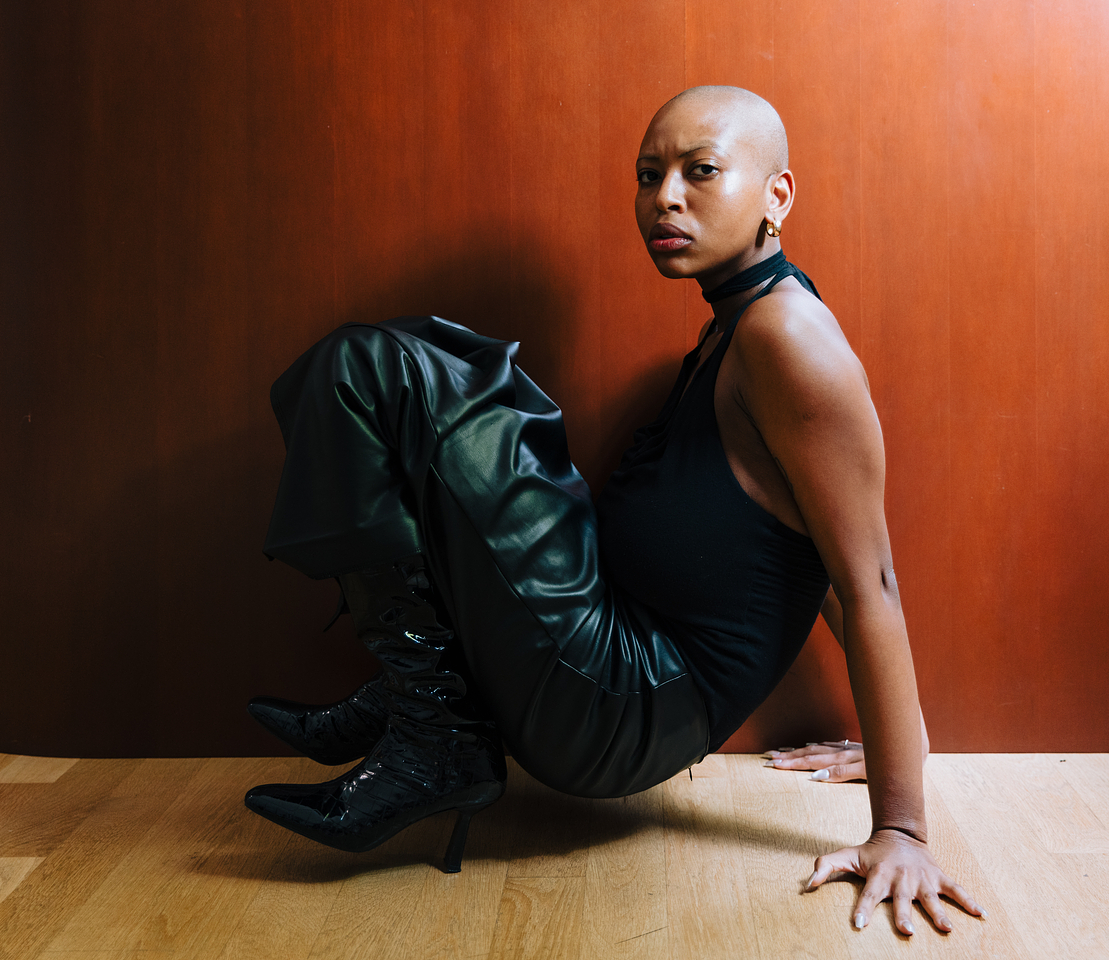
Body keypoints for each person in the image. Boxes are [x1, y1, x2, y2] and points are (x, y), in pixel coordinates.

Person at [243, 85, 982, 937]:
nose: (664, 197)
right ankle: (428, 696)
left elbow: (867, 582)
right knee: (432, 377)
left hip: (625, 708)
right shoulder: (734, 328)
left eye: (701, 171)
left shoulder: (790, 340)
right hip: (617, 678)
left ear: (777, 197)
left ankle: (435, 724)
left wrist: (901, 823)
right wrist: (906, 741)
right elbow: (808, 550)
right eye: (648, 174)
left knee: (379, 369)